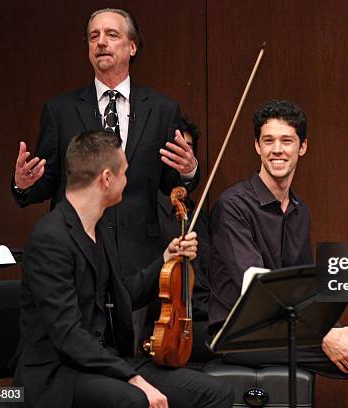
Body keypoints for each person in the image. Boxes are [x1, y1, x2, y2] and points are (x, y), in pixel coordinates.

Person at [208, 99, 348, 407]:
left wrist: (328, 325)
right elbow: (256, 285)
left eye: (286, 140)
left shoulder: (300, 210)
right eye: (268, 141)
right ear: (257, 147)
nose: (277, 149)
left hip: (287, 327)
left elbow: (301, 288)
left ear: (302, 147)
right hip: (241, 334)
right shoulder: (233, 205)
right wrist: (322, 335)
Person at [12, 130, 232, 408]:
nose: (127, 181)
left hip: (104, 362)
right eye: (124, 172)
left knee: (215, 393)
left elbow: (124, 296)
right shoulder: (50, 238)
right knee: (134, 400)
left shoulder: (99, 229)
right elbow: (67, 334)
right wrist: (131, 377)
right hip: (57, 374)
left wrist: (167, 258)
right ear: (106, 178)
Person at [10, 8, 199, 282]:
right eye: (94, 36)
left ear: (132, 47)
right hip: (78, 253)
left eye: (111, 35)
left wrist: (188, 170)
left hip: (139, 258)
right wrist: (23, 185)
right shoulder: (60, 110)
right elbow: (48, 181)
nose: (101, 42)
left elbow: (171, 183)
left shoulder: (161, 109)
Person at [147, 115, 214, 363]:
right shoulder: (148, 214)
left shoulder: (197, 216)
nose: (181, 156)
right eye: (174, 149)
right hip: (167, 323)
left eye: (187, 149)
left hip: (201, 317)